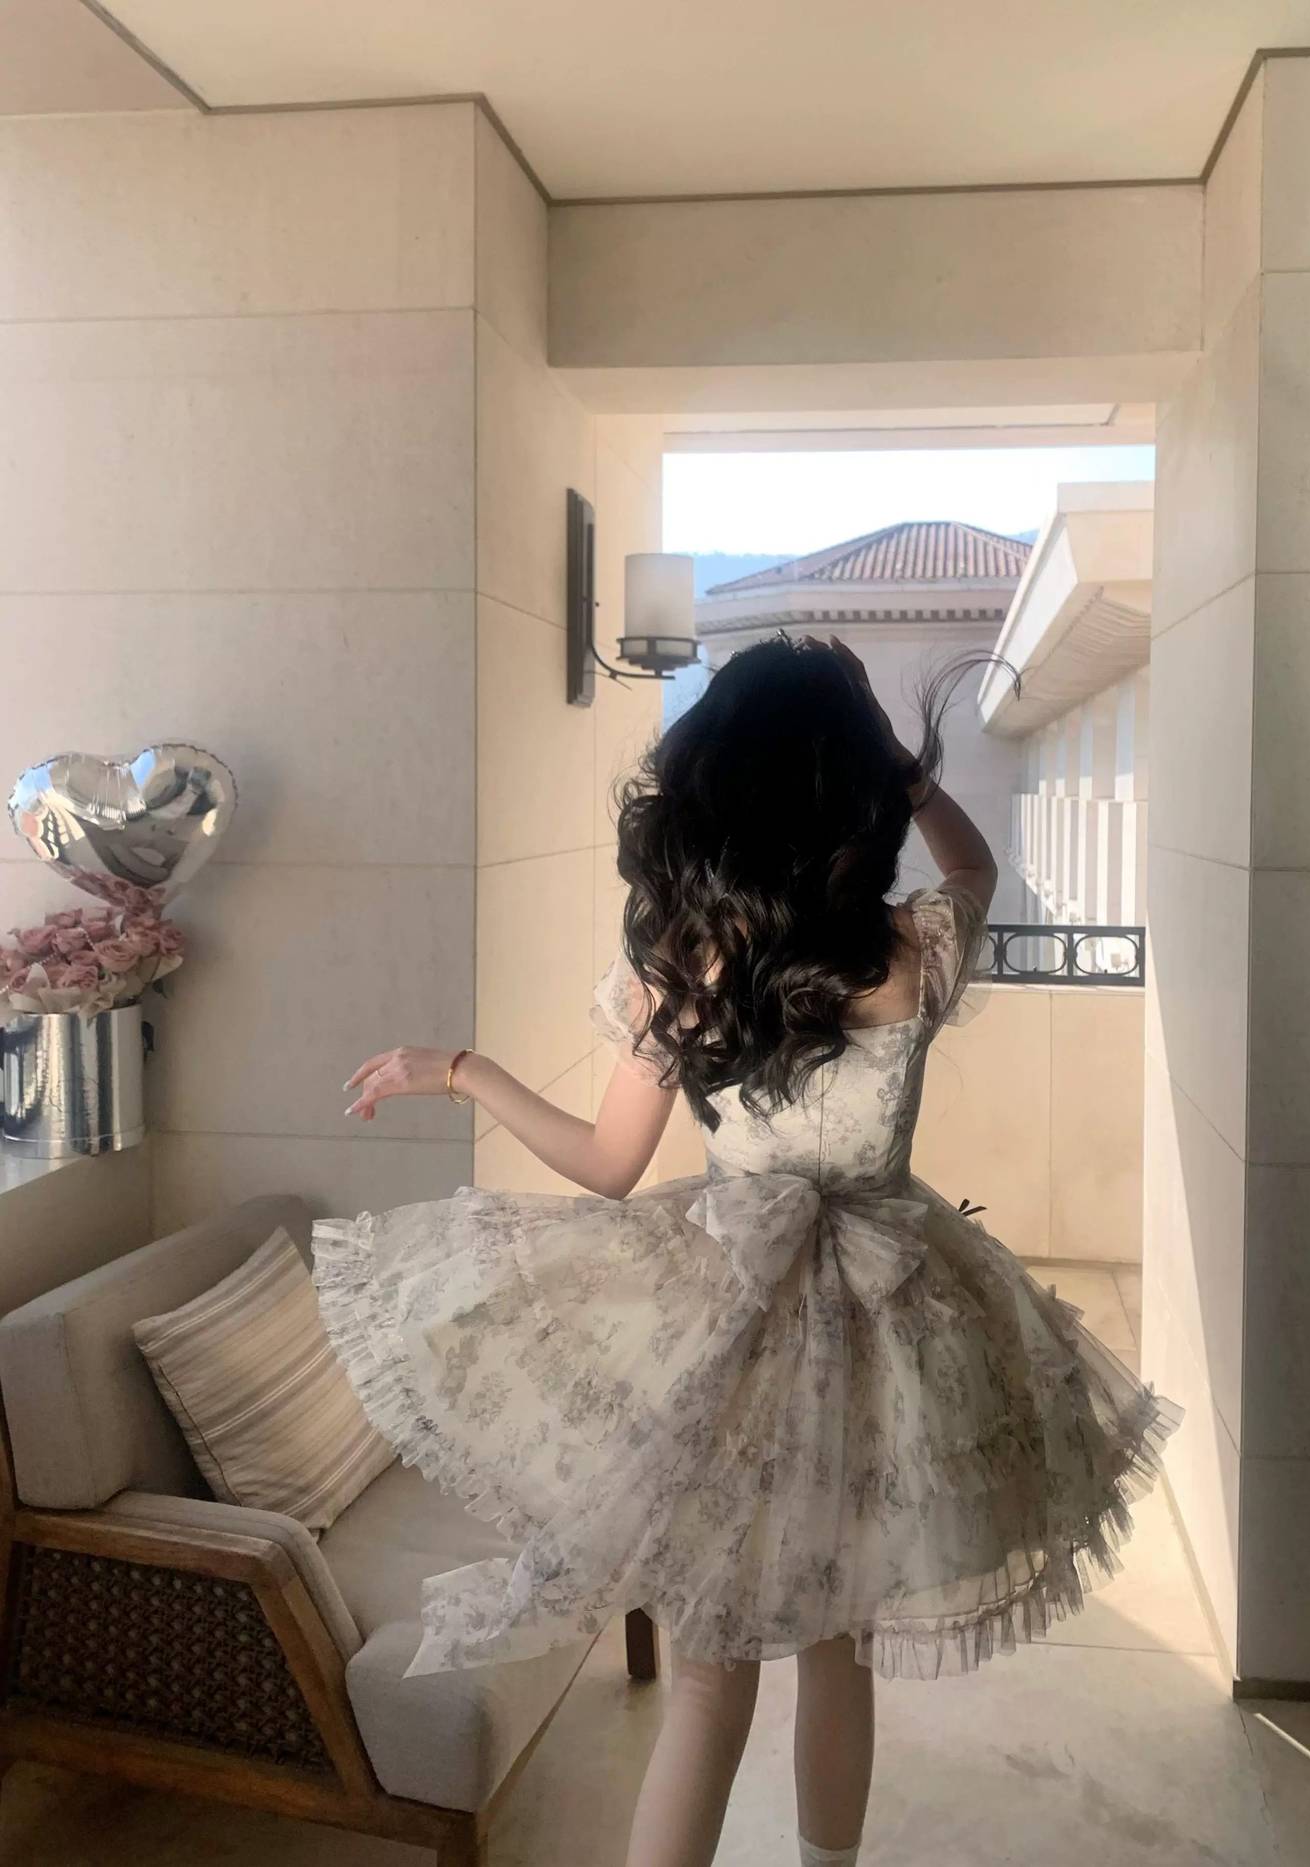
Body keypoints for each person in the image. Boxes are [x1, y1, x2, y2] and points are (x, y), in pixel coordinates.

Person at [312, 634, 1181, 1867]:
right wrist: (906, 771)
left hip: (724, 1319)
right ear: (854, 794)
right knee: (839, 1649)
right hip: (892, 1329)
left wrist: (462, 1071)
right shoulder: (915, 950)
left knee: (708, 1686)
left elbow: (606, 1164)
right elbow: (976, 861)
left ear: (711, 787)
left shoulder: (680, 969)